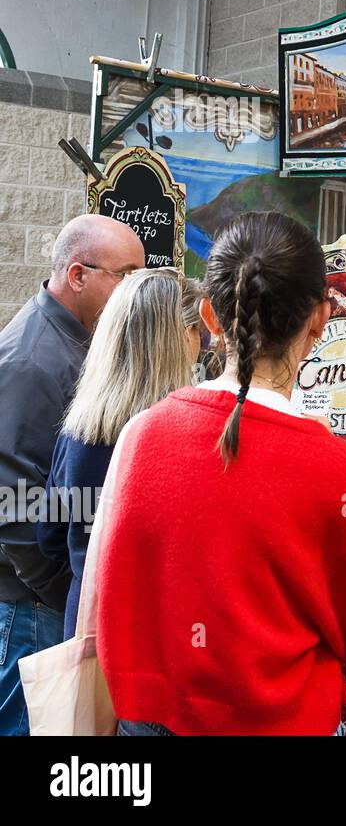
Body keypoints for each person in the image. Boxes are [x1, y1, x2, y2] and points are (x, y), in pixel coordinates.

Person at [97, 213, 346, 735]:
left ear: (209, 318)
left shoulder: (142, 435)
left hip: (153, 721)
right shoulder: (339, 471)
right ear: (320, 319)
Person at [0, 213, 144, 735]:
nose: (133, 291)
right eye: (124, 275)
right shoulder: (32, 360)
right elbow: (11, 502)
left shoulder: (73, 339)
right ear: (78, 275)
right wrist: (58, 593)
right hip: (27, 608)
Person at [38, 269, 195, 639]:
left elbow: (50, 535)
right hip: (160, 633)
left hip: (88, 626)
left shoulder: (78, 429)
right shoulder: (188, 434)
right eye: (195, 330)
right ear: (177, 338)